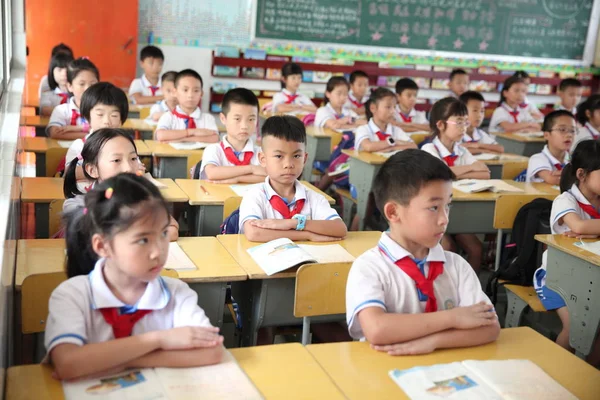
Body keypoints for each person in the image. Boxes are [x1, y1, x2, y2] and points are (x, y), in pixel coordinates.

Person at [46, 173, 222, 380]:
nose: (158, 251)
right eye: (142, 240)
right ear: (102, 246)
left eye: (163, 234)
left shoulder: (176, 293)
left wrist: (125, 360)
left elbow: (212, 351)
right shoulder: (73, 295)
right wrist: (159, 340)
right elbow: (68, 363)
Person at [345, 149, 499, 352]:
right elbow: (377, 329)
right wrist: (453, 318)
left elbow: (490, 327)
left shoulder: (457, 266)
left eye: (448, 206)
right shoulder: (370, 267)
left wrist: (432, 342)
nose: (445, 218)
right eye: (434, 207)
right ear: (393, 212)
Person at [533, 139, 600, 367]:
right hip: (557, 279)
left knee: (594, 330)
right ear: (582, 174)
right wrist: (585, 230)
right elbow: (579, 227)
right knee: (575, 328)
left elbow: (583, 228)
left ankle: (587, 377)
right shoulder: (566, 199)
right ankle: (554, 372)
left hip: (593, 277)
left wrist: (591, 231)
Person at [239, 116, 347, 242]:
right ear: (263, 159)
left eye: (296, 156)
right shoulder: (255, 195)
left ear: (305, 159)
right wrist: (307, 235)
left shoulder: (314, 198)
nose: (288, 164)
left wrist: (295, 224)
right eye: (279, 156)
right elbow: (254, 233)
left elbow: (340, 229)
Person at [63, 128, 179, 241]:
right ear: (92, 170)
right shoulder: (78, 204)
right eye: (117, 160)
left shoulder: (145, 197)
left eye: (133, 158)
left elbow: (172, 230)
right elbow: (96, 238)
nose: (128, 168)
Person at [422, 97, 489, 272]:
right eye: (458, 123)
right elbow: (440, 174)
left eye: (465, 123)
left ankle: (467, 293)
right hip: (433, 215)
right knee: (447, 248)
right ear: (441, 125)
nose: (464, 128)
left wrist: (452, 171)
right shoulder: (429, 150)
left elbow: (485, 173)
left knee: (476, 249)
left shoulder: (462, 150)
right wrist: (468, 168)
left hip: (458, 213)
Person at [63, 82, 129, 178]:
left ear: (121, 120)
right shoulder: (79, 145)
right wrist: (109, 170)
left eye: (114, 115)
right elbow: (69, 173)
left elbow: (135, 170)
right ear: (87, 116)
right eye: (100, 114)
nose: (107, 121)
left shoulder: (126, 146)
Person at [199, 88, 265, 182]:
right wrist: (252, 169)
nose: (244, 126)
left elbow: (268, 177)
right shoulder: (214, 149)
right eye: (237, 119)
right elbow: (212, 173)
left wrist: (238, 179)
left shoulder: (261, 152)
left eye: (251, 119)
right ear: (223, 118)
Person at [155, 69, 219, 143]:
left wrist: (182, 139)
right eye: (185, 90)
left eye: (196, 91)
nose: (190, 95)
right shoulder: (168, 116)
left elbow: (215, 138)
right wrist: (191, 132)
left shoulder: (207, 118)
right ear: (174, 92)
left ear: (201, 94)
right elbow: (161, 135)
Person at [46, 57, 99, 139]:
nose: (88, 88)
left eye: (92, 84)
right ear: (70, 86)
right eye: (82, 84)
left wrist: (72, 130)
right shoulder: (62, 110)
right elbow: (54, 132)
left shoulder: (101, 110)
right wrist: (89, 134)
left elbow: (104, 132)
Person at [354, 88, 416, 153]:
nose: (393, 111)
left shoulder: (395, 130)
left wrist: (393, 148)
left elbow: (413, 146)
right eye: (388, 107)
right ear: (373, 108)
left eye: (394, 107)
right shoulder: (363, 129)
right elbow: (368, 146)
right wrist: (392, 141)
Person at [526, 110, 574, 184]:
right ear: (546, 135)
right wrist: (575, 175)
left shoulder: (573, 159)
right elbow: (552, 180)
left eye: (572, 131)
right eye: (562, 129)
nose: (569, 135)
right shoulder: (537, 159)